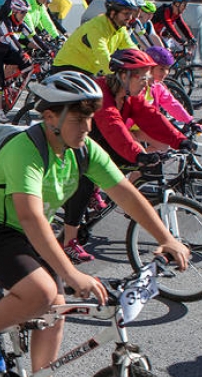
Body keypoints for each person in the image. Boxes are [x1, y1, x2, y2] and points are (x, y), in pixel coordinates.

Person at [0, 71, 190, 377]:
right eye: (80, 119)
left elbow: (125, 193)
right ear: (50, 117)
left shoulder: (82, 151)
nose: (88, 127)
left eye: (90, 118)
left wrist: (167, 239)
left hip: (26, 233)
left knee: (57, 306)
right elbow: (32, 218)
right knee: (41, 293)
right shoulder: (26, 150)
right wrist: (72, 272)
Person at [60, 49, 190, 263]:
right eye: (143, 76)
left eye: (149, 76)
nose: (147, 83)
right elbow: (113, 126)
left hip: (98, 143)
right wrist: (138, 154)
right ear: (123, 75)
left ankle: (98, 190)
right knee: (84, 180)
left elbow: (151, 117)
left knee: (133, 164)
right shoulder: (101, 93)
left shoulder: (129, 96)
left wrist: (179, 139)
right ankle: (69, 241)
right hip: (73, 142)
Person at [52, 0, 140, 76]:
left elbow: (131, 49)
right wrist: (117, 74)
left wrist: (145, 65)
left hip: (89, 70)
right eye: (126, 14)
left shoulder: (120, 28)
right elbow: (102, 54)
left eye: (131, 14)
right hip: (68, 67)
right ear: (113, 13)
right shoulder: (97, 27)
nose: (130, 18)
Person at [0, 0, 39, 115]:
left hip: (9, 45)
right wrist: (22, 52)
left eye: (26, 13)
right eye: (23, 12)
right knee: (1, 80)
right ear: (15, 11)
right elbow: (10, 38)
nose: (25, 15)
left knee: (26, 64)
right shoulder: (6, 19)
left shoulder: (24, 21)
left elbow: (35, 35)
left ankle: (10, 86)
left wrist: (49, 49)